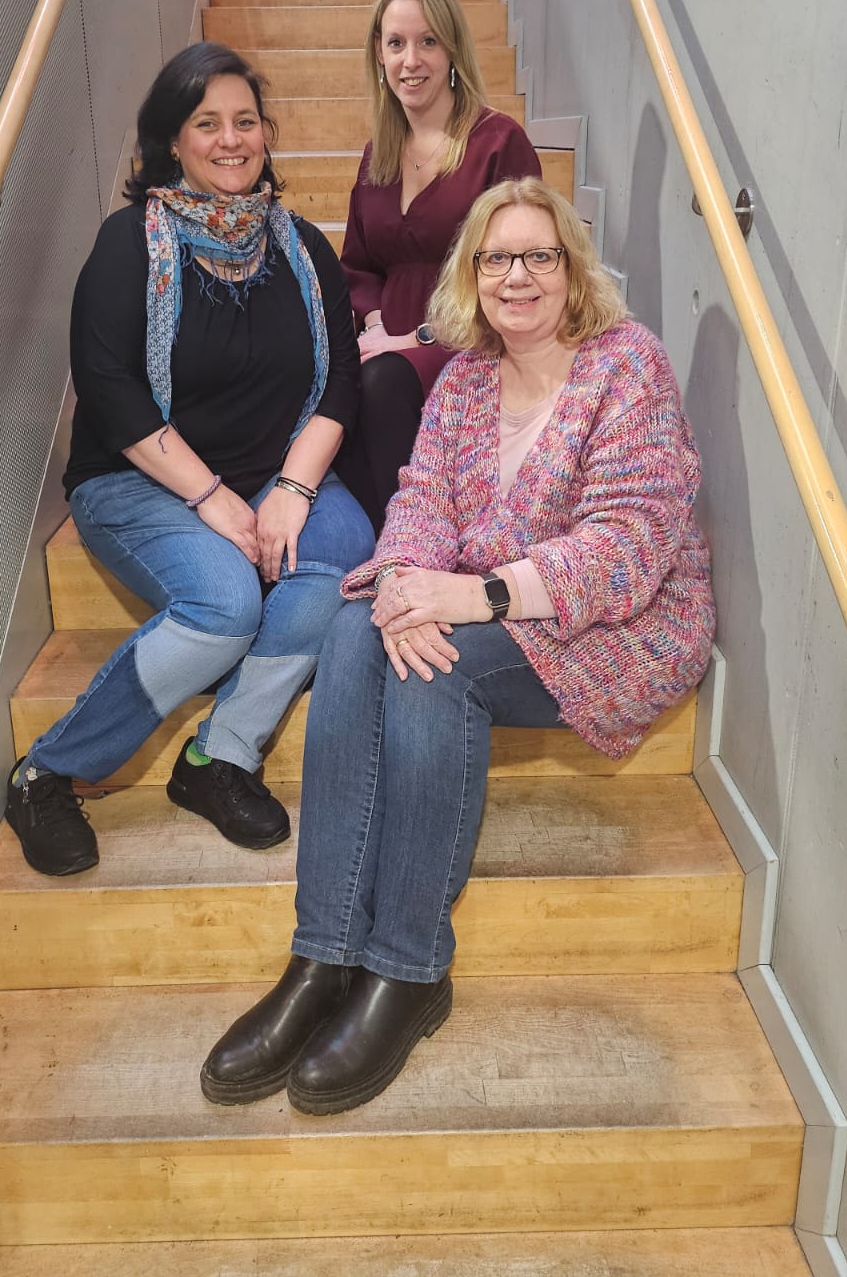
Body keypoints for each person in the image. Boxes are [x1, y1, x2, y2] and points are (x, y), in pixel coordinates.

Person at [200, 177, 715, 1115]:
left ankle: (407, 969)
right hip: (488, 602)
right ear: (471, 275)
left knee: (434, 676)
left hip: (616, 627)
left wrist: (472, 595)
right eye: (496, 258)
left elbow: (629, 546)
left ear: (571, 268)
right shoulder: (467, 379)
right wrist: (403, 581)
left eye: (539, 256)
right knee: (356, 629)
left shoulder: (626, 364)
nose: (517, 277)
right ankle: (323, 956)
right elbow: (423, 500)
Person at [5, 42, 373, 876]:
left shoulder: (303, 247)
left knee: (346, 562)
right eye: (208, 124)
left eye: (246, 121)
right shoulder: (127, 245)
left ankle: (219, 757)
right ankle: (46, 773)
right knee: (224, 602)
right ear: (173, 141)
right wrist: (211, 497)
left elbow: (342, 383)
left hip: (272, 471)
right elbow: (110, 391)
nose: (232, 140)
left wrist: (293, 486)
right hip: (139, 480)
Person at [336, 0, 542, 532]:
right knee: (339, 387)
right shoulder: (379, 152)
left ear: (452, 49)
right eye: (396, 43)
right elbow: (358, 265)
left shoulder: (498, 142)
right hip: (388, 340)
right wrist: (377, 326)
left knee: (381, 385)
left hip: (475, 341)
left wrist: (416, 339)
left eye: (427, 41)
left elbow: (521, 268)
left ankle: (409, 549)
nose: (411, 60)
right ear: (378, 54)